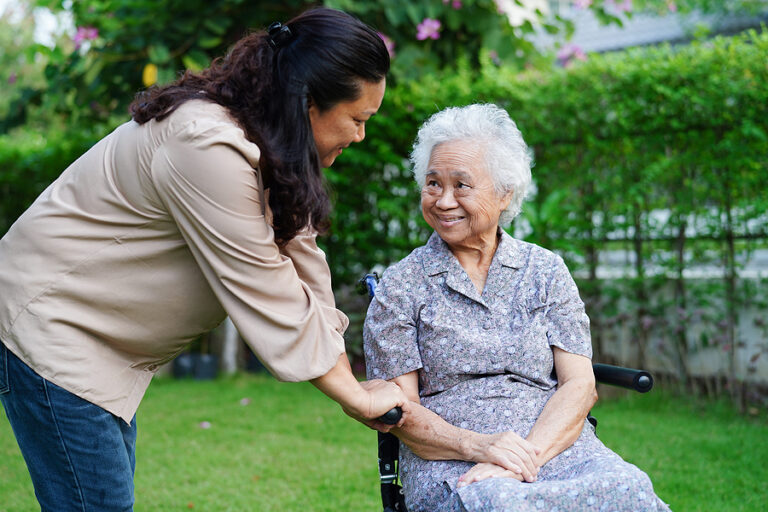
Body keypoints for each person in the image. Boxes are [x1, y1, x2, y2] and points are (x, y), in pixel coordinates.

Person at [0, 7, 408, 511]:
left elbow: (303, 260)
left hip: (96, 343)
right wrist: (354, 395)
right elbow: (265, 283)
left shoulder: (269, 146)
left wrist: (348, 376)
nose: (360, 136)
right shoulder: (207, 144)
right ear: (307, 103)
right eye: (357, 119)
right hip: (53, 325)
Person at [364, 104, 670, 511]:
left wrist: (521, 460)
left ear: (505, 192)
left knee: (629, 488)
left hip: (556, 445)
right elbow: (402, 413)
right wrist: (483, 448)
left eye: (462, 185)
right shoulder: (401, 285)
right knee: (500, 503)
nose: (443, 200)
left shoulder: (545, 270)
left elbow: (580, 386)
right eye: (433, 183)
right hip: (453, 457)